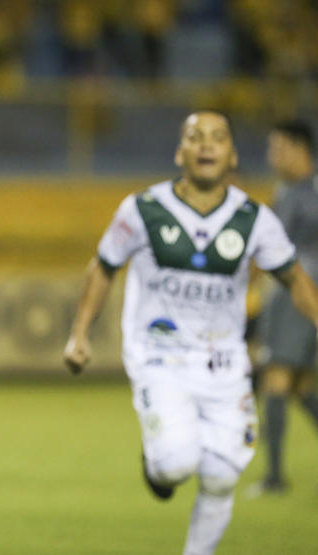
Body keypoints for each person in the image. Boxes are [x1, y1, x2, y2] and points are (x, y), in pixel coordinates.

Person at [63, 111, 318, 555]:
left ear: (232, 155)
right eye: (195, 137)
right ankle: (157, 465)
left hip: (224, 363)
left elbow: (294, 276)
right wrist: (79, 334)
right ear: (180, 152)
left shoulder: (254, 218)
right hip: (159, 356)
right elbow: (103, 267)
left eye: (218, 137)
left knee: (221, 477)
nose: (206, 144)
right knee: (176, 465)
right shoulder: (142, 209)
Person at [253, 119, 318, 493]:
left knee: (276, 377)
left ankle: (275, 477)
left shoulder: (297, 194)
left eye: (278, 149)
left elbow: (276, 251)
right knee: (303, 385)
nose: (272, 157)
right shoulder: (292, 190)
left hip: (296, 293)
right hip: (303, 292)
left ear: (300, 149)